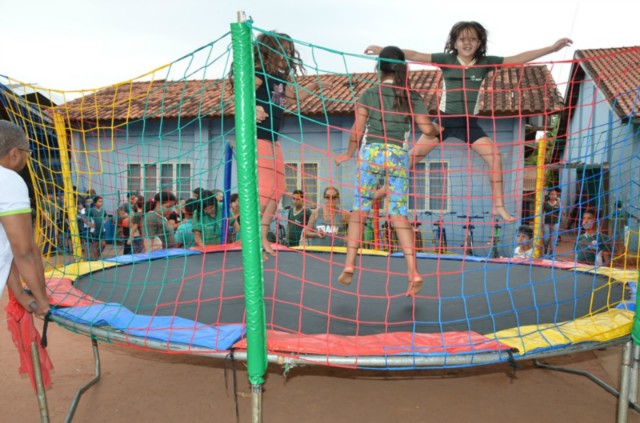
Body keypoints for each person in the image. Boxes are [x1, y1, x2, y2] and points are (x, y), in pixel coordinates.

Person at [365, 22, 573, 222]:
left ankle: (498, 205)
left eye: (473, 39)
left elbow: (518, 58)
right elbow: (415, 55)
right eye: (462, 39)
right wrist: (384, 51)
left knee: (495, 157)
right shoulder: (445, 60)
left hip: (469, 124)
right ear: (454, 43)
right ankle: (383, 191)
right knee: (411, 158)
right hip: (444, 121)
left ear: (480, 43)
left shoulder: (485, 63)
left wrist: (552, 49)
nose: (467, 43)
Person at [334, 46, 440, 296]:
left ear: (379, 69)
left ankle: (349, 263)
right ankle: (413, 271)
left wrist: (348, 154)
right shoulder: (410, 96)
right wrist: (436, 130)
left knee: (359, 209)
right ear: (403, 68)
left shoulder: (369, 93)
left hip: (370, 152)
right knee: (399, 214)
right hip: (396, 155)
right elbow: (426, 129)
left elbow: (357, 130)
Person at [230, 31, 330, 260]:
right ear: (269, 50)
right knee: (264, 191)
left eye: (288, 51)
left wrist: (317, 85)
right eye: (282, 50)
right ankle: (251, 238)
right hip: (256, 137)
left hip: (272, 138)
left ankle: (263, 236)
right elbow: (240, 87)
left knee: (278, 190)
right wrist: (250, 107)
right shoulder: (258, 71)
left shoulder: (280, 77)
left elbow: (297, 95)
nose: (286, 55)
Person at [0, 120, 49, 317]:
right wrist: (43, 301)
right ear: (14, 154)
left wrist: (21, 295)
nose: (27, 159)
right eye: (27, 153)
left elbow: (5, 249)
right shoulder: (8, 179)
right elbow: (24, 251)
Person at [542, 187, 562, 256]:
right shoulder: (545, 203)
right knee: (546, 238)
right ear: (549, 195)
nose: (553, 196)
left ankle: (551, 254)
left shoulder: (558, 202)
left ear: (556, 195)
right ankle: (545, 249)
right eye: (551, 194)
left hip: (555, 222)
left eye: (554, 194)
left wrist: (559, 202)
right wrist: (542, 221)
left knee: (553, 239)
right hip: (547, 222)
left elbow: (562, 211)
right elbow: (542, 212)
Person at [87, 195, 108, 260]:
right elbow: (83, 217)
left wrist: (105, 220)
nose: (101, 203)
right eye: (99, 202)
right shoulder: (91, 210)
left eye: (101, 202)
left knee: (104, 245)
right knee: (96, 245)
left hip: (102, 230)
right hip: (94, 231)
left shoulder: (102, 210)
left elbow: (106, 215)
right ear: (95, 203)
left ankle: (97, 256)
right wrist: (89, 223)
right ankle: (95, 259)